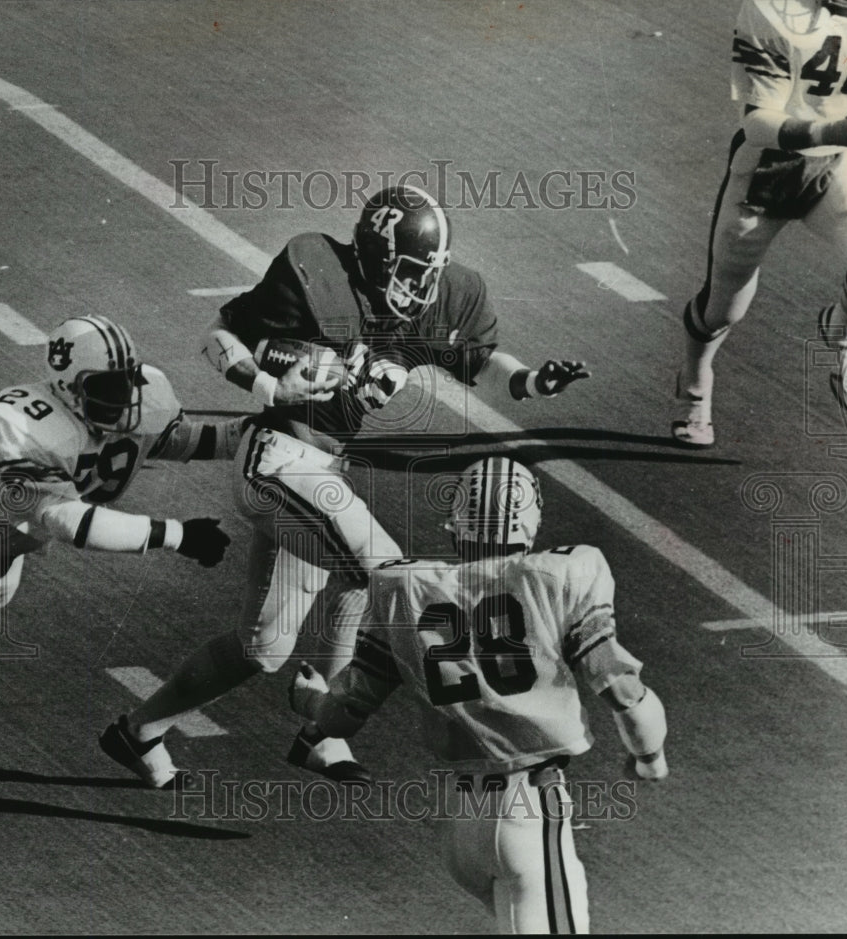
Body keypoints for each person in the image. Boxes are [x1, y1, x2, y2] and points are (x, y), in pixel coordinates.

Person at [103, 185, 592, 789]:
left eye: (431, 272)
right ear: (379, 258)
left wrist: (531, 382)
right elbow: (218, 335)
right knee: (389, 575)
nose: (424, 286)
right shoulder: (318, 274)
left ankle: (136, 731)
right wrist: (269, 387)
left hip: (318, 473)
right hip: (277, 461)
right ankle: (322, 727)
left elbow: (480, 361)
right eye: (413, 270)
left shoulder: (441, 300)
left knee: (264, 647)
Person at [289, 456, 668, 935]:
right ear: (530, 520)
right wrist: (648, 758)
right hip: (527, 811)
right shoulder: (561, 574)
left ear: (456, 522)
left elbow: (343, 714)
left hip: (458, 820)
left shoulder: (402, 587)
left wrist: (309, 702)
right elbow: (625, 693)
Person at [0, 314, 234, 638]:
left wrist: (253, 432)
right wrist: (176, 534)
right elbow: (69, 521)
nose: (123, 395)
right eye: (108, 385)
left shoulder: (138, 406)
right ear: (68, 385)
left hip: (8, 541)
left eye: (127, 378)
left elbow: (183, 441)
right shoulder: (30, 426)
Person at [673, 0, 847, 448]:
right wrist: (833, 131)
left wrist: (839, 139)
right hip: (767, 170)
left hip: (839, 163)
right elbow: (757, 122)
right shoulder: (773, 10)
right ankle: (695, 387)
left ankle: (840, 332)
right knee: (723, 310)